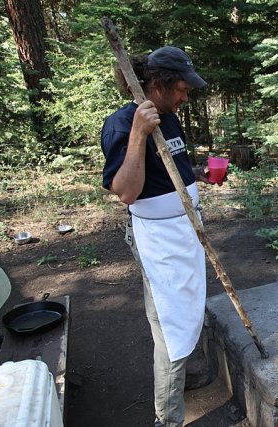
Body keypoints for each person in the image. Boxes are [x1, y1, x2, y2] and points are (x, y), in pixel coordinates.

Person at [100, 46, 218, 427]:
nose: (186, 97)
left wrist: (198, 175)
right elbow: (126, 191)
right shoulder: (123, 124)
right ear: (159, 84)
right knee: (170, 322)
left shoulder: (169, 117)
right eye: (182, 89)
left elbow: (172, 169)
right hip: (160, 241)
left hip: (185, 231)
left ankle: (181, 377)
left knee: (189, 309)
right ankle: (167, 419)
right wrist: (138, 132)